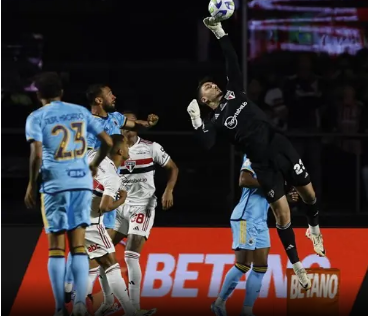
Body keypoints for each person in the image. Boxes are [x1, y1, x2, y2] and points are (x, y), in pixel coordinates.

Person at [187, 17, 325, 289]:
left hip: (278, 144)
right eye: (208, 88)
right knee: (282, 216)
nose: (214, 86)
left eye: (214, 84)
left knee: (310, 194)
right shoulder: (214, 122)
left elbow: (232, 61)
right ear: (204, 100)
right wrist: (196, 122)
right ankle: (297, 266)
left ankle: (314, 230)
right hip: (261, 164)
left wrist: (219, 32)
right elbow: (206, 145)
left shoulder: (233, 94)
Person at [24, 72, 113, 316]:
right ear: (61, 92)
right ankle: (81, 305)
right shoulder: (80, 112)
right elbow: (107, 141)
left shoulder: (36, 117)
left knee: (55, 248)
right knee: (78, 246)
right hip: (82, 183)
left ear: (38, 94)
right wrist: (94, 166)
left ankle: (58, 307)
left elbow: (37, 155)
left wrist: (32, 184)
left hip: (55, 184)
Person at [65, 84, 160, 304]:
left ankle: (102, 301)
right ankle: (70, 286)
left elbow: (134, 124)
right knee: (93, 248)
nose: (114, 96)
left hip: (107, 189)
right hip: (91, 186)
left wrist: (148, 123)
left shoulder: (116, 118)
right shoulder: (87, 124)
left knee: (100, 251)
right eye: (109, 94)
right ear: (99, 100)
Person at [109, 111, 179, 311]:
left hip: (143, 204)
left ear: (135, 126)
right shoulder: (114, 149)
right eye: (122, 124)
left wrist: (169, 190)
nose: (124, 127)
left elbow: (173, 168)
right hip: (119, 206)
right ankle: (109, 301)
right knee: (102, 251)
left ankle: (135, 308)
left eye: (128, 123)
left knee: (131, 255)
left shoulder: (150, 147)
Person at [212, 154, 293, 316]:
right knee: (243, 264)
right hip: (245, 218)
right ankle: (219, 303)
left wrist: (285, 196)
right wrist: (273, 188)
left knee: (261, 267)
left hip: (260, 222)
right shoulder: (253, 156)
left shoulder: (273, 165)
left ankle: (247, 310)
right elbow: (244, 180)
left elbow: (272, 194)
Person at [87, 134, 155, 316]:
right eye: (126, 145)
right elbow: (105, 206)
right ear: (119, 151)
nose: (128, 148)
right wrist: (122, 198)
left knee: (94, 263)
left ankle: (72, 306)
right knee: (110, 263)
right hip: (90, 224)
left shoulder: (95, 157)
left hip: (73, 216)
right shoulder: (113, 178)